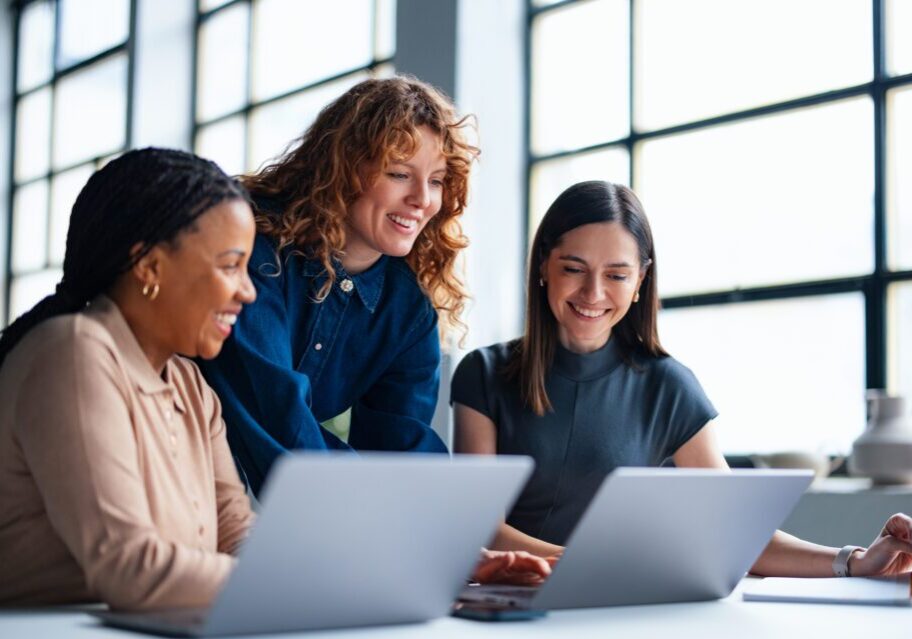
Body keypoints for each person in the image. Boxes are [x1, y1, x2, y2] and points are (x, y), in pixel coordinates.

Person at [0, 148, 547, 611]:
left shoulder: (191, 386)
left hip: (143, 637)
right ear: (149, 267)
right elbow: (131, 566)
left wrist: (407, 560)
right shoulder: (74, 353)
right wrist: (360, 584)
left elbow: (238, 537)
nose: (248, 291)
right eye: (230, 265)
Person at [452, 180, 912, 578]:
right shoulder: (484, 374)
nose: (593, 293)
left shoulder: (669, 386)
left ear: (640, 282)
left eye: (616, 275)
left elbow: (734, 531)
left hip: (615, 607)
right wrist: (589, 564)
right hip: (508, 602)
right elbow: (478, 525)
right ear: (542, 267)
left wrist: (856, 561)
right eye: (573, 269)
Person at [199, 76, 477, 496]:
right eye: (399, 173)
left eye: (436, 180)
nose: (423, 199)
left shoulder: (407, 312)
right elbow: (276, 415)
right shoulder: (255, 251)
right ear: (343, 168)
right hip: (162, 471)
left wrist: (453, 535)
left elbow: (403, 452)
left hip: (247, 506)